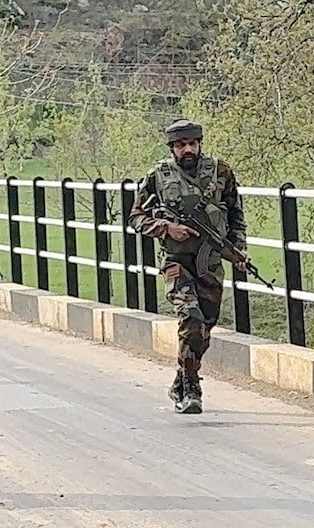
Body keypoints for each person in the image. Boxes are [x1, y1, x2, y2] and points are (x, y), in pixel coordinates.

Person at [128, 119, 250, 414]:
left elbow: (235, 214)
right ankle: (192, 386)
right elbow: (136, 217)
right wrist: (166, 227)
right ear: (172, 148)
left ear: (200, 144)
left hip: (209, 264)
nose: (188, 150)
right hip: (176, 262)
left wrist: (239, 250)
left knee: (204, 330)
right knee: (191, 319)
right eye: (181, 146)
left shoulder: (221, 172)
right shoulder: (158, 176)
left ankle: (181, 377)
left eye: (192, 144)